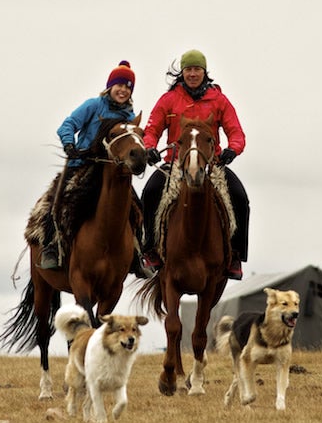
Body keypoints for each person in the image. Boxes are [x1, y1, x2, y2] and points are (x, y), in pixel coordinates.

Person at [140, 49, 250, 280]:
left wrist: (232, 149)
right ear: (182, 72)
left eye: (197, 69)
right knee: (149, 192)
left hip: (212, 166)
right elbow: (151, 130)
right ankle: (150, 249)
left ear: (204, 72)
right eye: (188, 69)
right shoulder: (169, 99)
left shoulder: (219, 100)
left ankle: (235, 256)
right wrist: (149, 147)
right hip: (175, 164)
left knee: (240, 198)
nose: (192, 74)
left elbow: (236, 131)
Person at [39, 60, 147, 275]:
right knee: (57, 201)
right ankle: (51, 246)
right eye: (120, 85)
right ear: (110, 86)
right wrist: (70, 144)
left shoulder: (129, 117)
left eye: (128, 87)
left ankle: (137, 254)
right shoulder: (93, 105)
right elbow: (67, 125)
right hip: (82, 165)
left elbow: (135, 142)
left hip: (114, 172)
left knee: (137, 209)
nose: (123, 90)